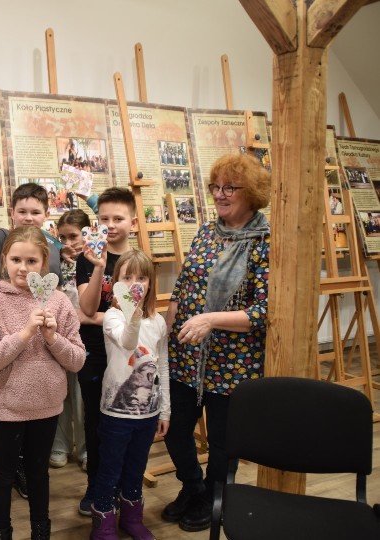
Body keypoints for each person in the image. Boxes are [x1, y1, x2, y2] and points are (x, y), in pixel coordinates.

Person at [162, 153, 270, 532]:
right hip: (186, 353)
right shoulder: (208, 231)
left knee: (223, 442)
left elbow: (264, 311)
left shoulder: (265, 241)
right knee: (176, 430)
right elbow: (184, 284)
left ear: (251, 193)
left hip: (233, 361)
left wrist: (210, 320)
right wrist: (166, 330)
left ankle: (214, 497)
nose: (219, 195)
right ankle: (193, 487)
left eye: (230, 188)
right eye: (216, 187)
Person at [0, 226, 85, 540]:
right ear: (4, 260)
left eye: (32, 261)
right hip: (7, 408)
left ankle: (41, 531)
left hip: (47, 406)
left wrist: (52, 338)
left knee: (38, 474)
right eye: (16, 260)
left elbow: (77, 360)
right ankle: (2, 533)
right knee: (3, 475)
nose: (23, 268)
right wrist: (24, 334)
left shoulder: (59, 302)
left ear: (44, 263)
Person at [91, 249, 170, 540]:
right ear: (115, 283)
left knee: (136, 467)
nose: (135, 284)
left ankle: (132, 517)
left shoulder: (158, 321)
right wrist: (133, 315)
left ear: (150, 283)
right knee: (110, 468)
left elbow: (162, 365)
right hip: (116, 414)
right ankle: (103, 522)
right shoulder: (112, 316)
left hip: (148, 414)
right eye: (127, 278)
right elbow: (127, 341)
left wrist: (165, 410)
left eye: (141, 278)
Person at [75, 187, 137, 515]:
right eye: (103, 219)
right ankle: (96, 486)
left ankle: (124, 486)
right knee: (96, 421)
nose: (110, 225)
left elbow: (139, 313)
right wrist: (99, 266)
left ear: (133, 222)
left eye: (118, 218)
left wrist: (101, 317)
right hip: (94, 351)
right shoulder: (87, 258)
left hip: (127, 351)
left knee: (124, 421)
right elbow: (86, 309)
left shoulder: (139, 262)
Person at [48, 210, 90, 469]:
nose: (68, 243)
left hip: (85, 335)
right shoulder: (56, 262)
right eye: (62, 237)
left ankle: (85, 448)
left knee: (82, 396)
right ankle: (60, 445)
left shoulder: (92, 261)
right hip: (58, 335)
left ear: (87, 233)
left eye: (73, 236)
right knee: (60, 392)